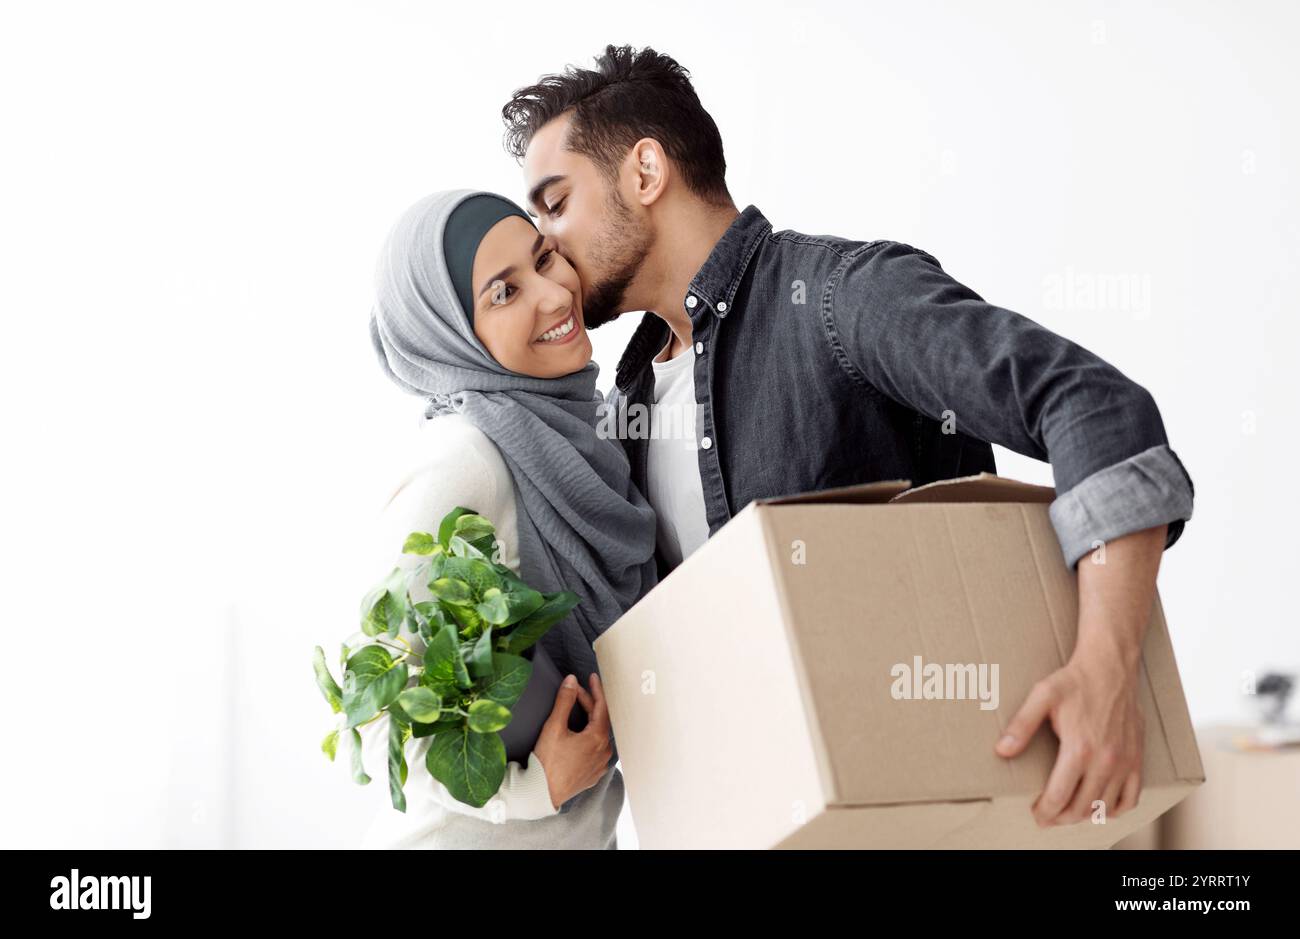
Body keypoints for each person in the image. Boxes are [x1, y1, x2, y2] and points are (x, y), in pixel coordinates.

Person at [502, 45, 1196, 829]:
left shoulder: (837, 301)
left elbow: (1095, 407)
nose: (545, 244)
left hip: (946, 807)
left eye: (555, 204)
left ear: (645, 172)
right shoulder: (618, 406)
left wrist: (1106, 671)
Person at [359, 189, 658, 848]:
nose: (553, 296)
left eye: (545, 258)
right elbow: (375, 709)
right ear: (452, 337)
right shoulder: (465, 460)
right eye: (504, 293)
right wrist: (532, 789)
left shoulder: (586, 439)